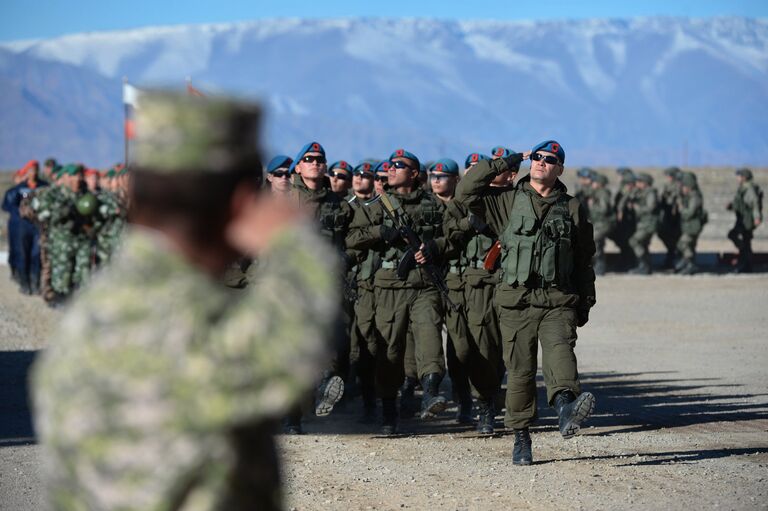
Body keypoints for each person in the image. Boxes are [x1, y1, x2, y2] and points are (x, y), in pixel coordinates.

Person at [32, 90, 341, 511]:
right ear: (239, 205)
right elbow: (303, 342)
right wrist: (293, 242)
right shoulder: (193, 321)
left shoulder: (96, 308)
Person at [455, 140, 596, 466]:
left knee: (561, 351)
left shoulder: (572, 208)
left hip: (557, 300)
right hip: (516, 302)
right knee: (519, 372)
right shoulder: (506, 201)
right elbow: (465, 192)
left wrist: (586, 301)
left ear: (560, 169)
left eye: (550, 160)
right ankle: (521, 436)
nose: (541, 163)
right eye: (537, 157)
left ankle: (566, 407)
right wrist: (507, 160)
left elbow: (584, 259)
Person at [346, 148, 450, 435]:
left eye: (398, 166)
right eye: (389, 165)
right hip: (389, 285)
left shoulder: (433, 206)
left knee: (429, 333)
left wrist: (434, 248)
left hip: (425, 285)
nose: (390, 169)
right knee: (389, 349)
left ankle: (430, 391)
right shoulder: (377, 206)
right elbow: (353, 238)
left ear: (414, 174)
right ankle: (389, 411)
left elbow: (452, 238)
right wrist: (381, 233)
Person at [2, 160, 48, 293]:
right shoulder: (18, 189)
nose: (33, 172)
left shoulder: (44, 187)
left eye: (35, 170)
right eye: (31, 170)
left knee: (36, 254)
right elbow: (9, 206)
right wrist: (21, 213)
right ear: (27, 172)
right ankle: (24, 283)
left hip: (38, 226)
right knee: (23, 253)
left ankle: (35, 283)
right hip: (22, 226)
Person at [726, 168, 762, 273]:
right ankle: (745, 260)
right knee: (741, 239)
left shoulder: (748, 189)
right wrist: (731, 206)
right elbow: (740, 204)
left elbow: (754, 204)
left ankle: (746, 263)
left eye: (739, 176)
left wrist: (756, 217)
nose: (737, 178)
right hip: (742, 218)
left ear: (744, 177)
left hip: (747, 219)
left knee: (745, 240)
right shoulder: (743, 188)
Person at [627, 173, 659, 275]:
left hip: (649, 223)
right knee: (643, 244)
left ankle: (643, 266)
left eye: (639, 182)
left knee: (634, 241)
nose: (637, 184)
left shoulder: (650, 193)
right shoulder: (641, 192)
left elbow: (651, 207)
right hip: (643, 223)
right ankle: (645, 267)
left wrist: (638, 208)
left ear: (645, 183)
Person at [675, 172, 707, 275]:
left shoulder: (695, 196)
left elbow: (690, 212)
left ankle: (690, 264)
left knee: (683, 244)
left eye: (684, 186)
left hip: (693, 225)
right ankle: (688, 264)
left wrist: (681, 208)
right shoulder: (689, 195)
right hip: (689, 225)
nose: (682, 188)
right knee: (689, 245)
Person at [587, 174, 615, 275]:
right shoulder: (599, 193)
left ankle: (600, 266)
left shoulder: (602, 193)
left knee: (594, 241)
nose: (592, 184)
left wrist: (592, 206)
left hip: (604, 224)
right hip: (599, 223)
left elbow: (604, 209)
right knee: (598, 243)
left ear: (599, 183)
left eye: (594, 182)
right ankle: (599, 266)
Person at [658, 167, 682, 268]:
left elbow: (677, 200)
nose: (668, 178)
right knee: (664, 235)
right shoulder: (667, 186)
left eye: (669, 175)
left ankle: (676, 259)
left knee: (676, 238)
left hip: (676, 217)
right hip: (667, 215)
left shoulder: (679, 186)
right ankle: (671, 256)